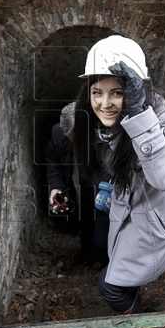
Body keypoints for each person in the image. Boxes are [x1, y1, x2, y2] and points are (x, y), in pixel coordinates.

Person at [69, 35, 165, 314]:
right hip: (125, 206)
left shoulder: (160, 119)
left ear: (136, 91)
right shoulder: (93, 123)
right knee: (103, 248)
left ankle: (136, 320)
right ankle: (131, 293)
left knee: (109, 287)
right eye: (97, 92)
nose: (105, 103)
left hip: (155, 217)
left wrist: (139, 116)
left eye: (117, 93)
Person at [46, 104, 108, 266]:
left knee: (103, 219)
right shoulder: (59, 135)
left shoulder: (108, 135)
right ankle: (88, 255)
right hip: (78, 183)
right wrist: (56, 187)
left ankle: (107, 259)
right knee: (84, 215)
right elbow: (53, 161)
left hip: (103, 184)